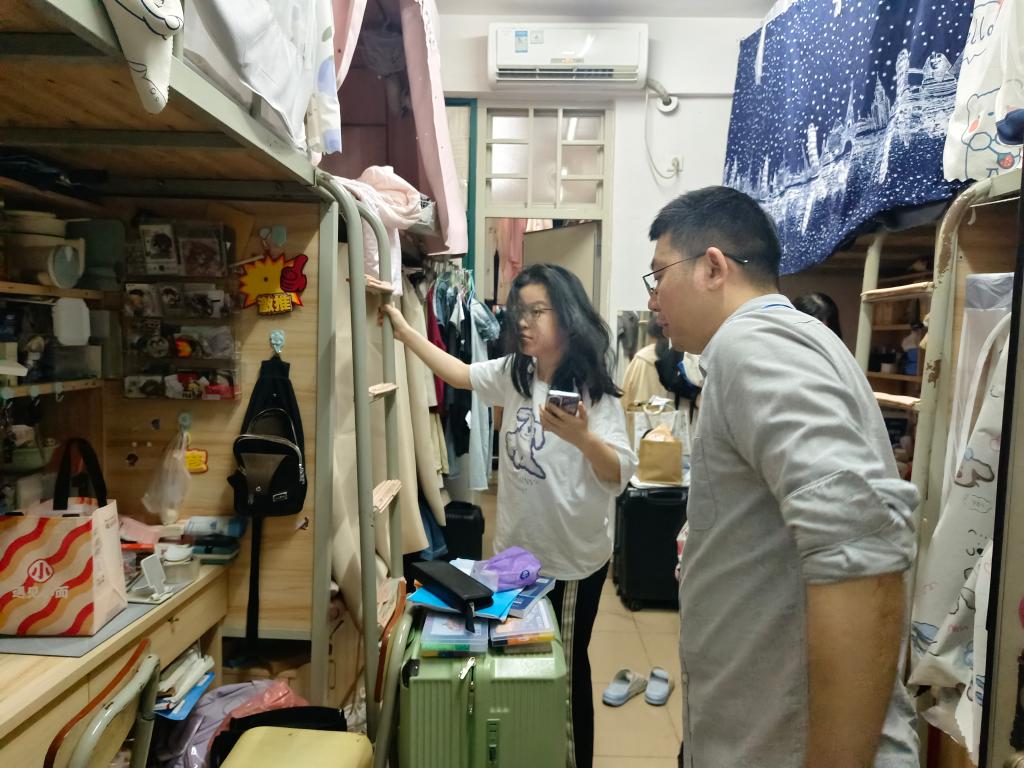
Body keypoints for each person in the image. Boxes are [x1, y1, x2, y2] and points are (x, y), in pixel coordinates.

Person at [645, 186, 919, 768]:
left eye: (659, 274)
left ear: (713, 267)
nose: (652, 298)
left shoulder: (755, 345)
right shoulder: (781, 340)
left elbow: (859, 546)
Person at [381, 264, 637, 768]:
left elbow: (619, 473)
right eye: (520, 311)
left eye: (537, 311)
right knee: (524, 664)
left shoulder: (592, 392)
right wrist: (406, 331)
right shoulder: (515, 373)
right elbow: (458, 373)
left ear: (566, 315)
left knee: (566, 671)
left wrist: (582, 437)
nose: (523, 322)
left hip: (570, 563)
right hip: (516, 559)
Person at [620, 314, 674, 405]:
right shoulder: (681, 356)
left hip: (641, 410)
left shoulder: (641, 358)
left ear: (651, 335)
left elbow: (627, 393)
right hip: (673, 411)